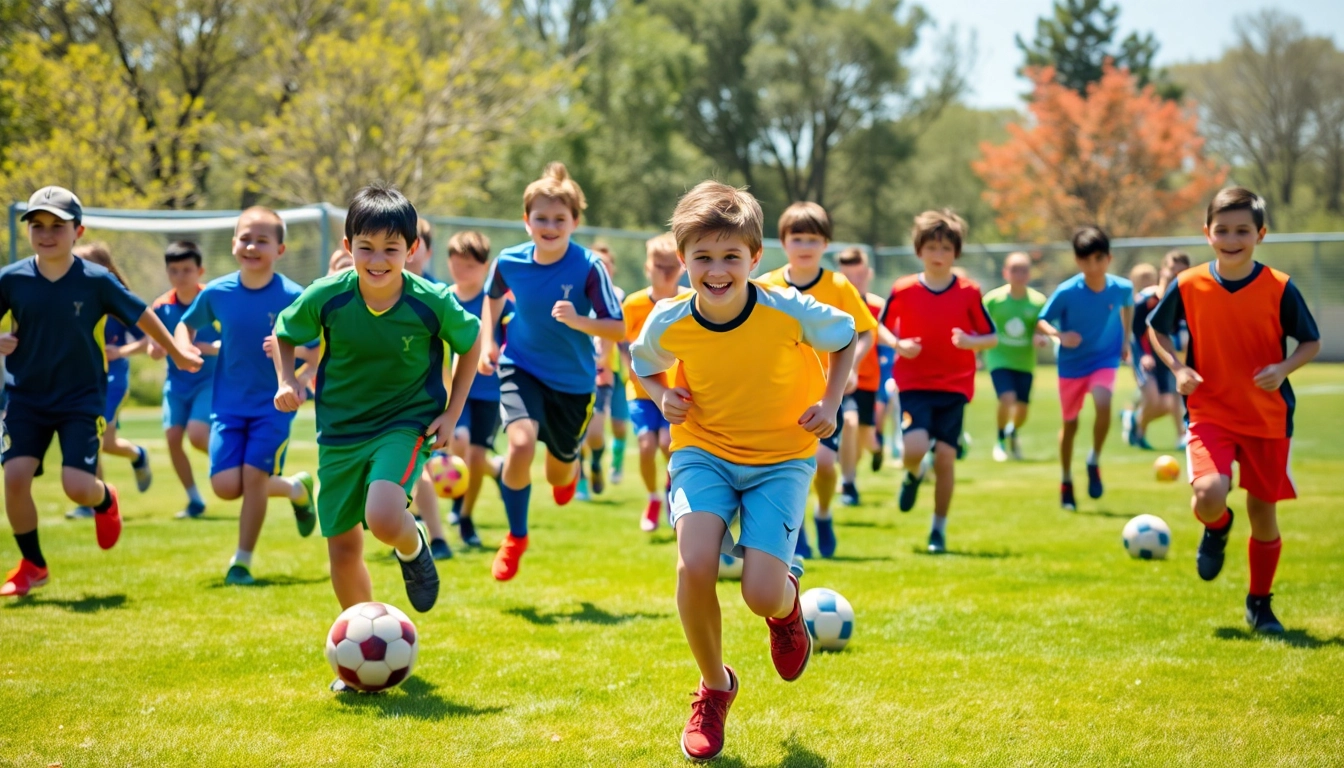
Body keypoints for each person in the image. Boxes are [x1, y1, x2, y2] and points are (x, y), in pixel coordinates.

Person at [631, 181, 855, 762]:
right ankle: (714, 686)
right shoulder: (668, 319)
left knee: (760, 594)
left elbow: (846, 336)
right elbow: (644, 364)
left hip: (781, 459)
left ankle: (787, 612)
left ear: (756, 259)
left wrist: (831, 404)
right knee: (695, 562)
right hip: (702, 449)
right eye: (702, 257)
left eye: (731, 256)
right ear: (682, 261)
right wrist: (661, 396)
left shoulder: (787, 307)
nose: (716, 269)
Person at [274, 185, 480, 676]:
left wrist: (452, 413)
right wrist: (285, 380)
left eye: (391, 249)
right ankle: (356, 655)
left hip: (404, 424)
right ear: (348, 246)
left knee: (385, 516)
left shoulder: (431, 302)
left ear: (411, 250)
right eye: (366, 247)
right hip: (340, 433)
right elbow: (285, 332)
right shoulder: (326, 297)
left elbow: (470, 344)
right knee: (343, 549)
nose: (378, 259)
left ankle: (414, 547)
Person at [1, 186, 202, 597]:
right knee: (15, 477)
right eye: (37, 226)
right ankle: (33, 565)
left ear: (78, 230)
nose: (46, 233)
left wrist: (176, 351)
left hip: (81, 398)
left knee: (77, 485)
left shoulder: (96, 281)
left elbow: (142, 313)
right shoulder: (12, 279)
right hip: (26, 396)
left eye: (58, 225)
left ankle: (105, 498)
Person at [1149, 187, 1320, 634]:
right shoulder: (1188, 285)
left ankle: (1260, 604)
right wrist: (1178, 368)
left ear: (1260, 234)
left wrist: (1283, 368)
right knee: (1208, 494)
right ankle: (1218, 526)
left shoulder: (1280, 287)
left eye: (1242, 230)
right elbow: (1158, 332)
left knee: (1264, 515)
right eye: (1222, 229)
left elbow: (1311, 342)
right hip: (1210, 412)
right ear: (1207, 234)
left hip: (1267, 418)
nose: (1231, 238)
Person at [476, 162, 625, 581]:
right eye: (540, 218)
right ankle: (516, 537)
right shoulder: (508, 262)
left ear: (574, 222)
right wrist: (489, 342)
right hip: (519, 366)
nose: (550, 225)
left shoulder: (588, 266)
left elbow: (618, 326)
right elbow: (492, 299)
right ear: (526, 222)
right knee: (520, 445)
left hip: (574, 384)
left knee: (558, 470)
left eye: (560, 218)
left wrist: (580, 320)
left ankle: (569, 466)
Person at [175, 206, 318, 586]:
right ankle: (295, 488)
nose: (252, 246)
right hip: (227, 406)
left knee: (254, 477)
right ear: (233, 243)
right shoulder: (218, 292)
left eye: (262, 240)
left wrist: (300, 373)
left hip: (274, 408)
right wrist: (184, 349)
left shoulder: (294, 296)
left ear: (281, 250)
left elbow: (319, 348)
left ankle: (242, 561)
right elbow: (184, 326)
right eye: (245, 238)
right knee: (226, 487)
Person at [760, 202, 874, 559]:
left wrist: (850, 366)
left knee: (824, 464)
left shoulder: (838, 286)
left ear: (826, 243)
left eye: (813, 238)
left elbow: (866, 332)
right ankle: (799, 530)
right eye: (797, 238)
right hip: (782, 393)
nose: (805, 246)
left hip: (828, 394)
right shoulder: (766, 285)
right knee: (789, 469)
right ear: (783, 242)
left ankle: (823, 514)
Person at [881, 210, 997, 553]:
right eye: (931, 247)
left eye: (946, 248)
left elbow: (991, 337)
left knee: (945, 458)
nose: (938, 254)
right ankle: (913, 474)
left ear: (956, 252)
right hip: (914, 383)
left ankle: (938, 529)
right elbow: (880, 327)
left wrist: (970, 342)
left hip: (955, 386)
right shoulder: (903, 290)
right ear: (919, 250)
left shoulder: (969, 291)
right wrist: (898, 344)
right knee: (915, 450)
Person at [1037, 227, 1133, 511]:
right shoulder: (1067, 292)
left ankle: (1094, 459)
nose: (1093, 266)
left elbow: (1128, 308)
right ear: (1078, 261)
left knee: (1104, 402)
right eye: (1086, 260)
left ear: (1109, 258)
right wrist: (1059, 336)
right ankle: (1066, 480)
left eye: (1099, 259)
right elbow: (1042, 320)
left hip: (1104, 359)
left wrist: (1125, 341)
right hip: (1071, 364)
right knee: (1070, 424)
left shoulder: (1122, 288)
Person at [63, 243, 152, 519]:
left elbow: (148, 339)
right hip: (83, 377)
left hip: (112, 378)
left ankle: (91, 501)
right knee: (108, 442)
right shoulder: (70, 300)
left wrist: (120, 351)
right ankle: (138, 455)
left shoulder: (117, 301)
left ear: (104, 269)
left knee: (91, 435)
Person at [445, 230, 512, 549]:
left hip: (489, 391)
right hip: (451, 391)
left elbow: (513, 334)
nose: (462, 270)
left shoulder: (496, 302)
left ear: (485, 267)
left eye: (469, 265)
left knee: (474, 453)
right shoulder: (442, 298)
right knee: (458, 442)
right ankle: (496, 471)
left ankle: (466, 515)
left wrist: (498, 349)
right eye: (456, 263)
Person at [621, 232, 690, 532]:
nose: (665, 271)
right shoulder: (634, 304)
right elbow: (622, 341)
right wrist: (631, 368)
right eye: (659, 265)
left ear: (682, 267)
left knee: (667, 445)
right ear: (648, 266)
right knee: (647, 444)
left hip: (677, 391)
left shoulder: (688, 300)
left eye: (671, 265)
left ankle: (671, 491)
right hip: (640, 391)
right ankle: (653, 498)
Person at [148, 241, 219, 519]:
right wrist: (157, 348)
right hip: (176, 385)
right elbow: (154, 350)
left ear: (200, 270)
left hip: (209, 381)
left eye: (187, 269)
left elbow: (232, 343)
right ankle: (194, 500)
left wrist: (206, 347)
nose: (180, 276)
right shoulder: (162, 306)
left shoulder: (214, 299)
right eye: (174, 270)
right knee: (173, 437)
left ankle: (235, 467)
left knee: (198, 435)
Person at [402, 217, 451, 558]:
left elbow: (454, 353)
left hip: (421, 402)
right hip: (378, 403)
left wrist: (450, 410)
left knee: (416, 470)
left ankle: (436, 538)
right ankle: (419, 532)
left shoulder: (436, 297)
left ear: (423, 250)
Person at [834, 247, 897, 502]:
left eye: (859, 275)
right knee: (849, 425)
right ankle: (849, 483)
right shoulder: (834, 303)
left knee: (866, 437)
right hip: (843, 379)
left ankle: (877, 450)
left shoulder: (876, 306)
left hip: (869, 380)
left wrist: (898, 345)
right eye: (849, 275)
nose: (855, 280)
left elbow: (877, 331)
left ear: (868, 274)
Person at [982, 252, 1048, 462]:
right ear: (1005, 273)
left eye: (1024, 270)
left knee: (1022, 410)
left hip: (1025, 361)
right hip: (998, 357)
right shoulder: (993, 299)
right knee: (1006, 398)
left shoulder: (1038, 301)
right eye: (1014, 270)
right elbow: (979, 324)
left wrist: (1040, 337)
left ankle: (1012, 432)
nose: (1019, 274)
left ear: (1030, 274)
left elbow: (1041, 327)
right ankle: (1000, 439)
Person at [1122, 250, 1191, 451]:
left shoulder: (1182, 302)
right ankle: (1141, 427)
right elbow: (1136, 331)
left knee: (1167, 404)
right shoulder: (1146, 300)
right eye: (1172, 271)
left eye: (1181, 273)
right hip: (1144, 356)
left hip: (1166, 357)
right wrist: (1142, 356)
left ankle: (1136, 424)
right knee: (1152, 398)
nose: (1174, 276)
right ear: (1163, 270)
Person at [576, 242, 629, 500]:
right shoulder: (578, 295)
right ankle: (581, 480)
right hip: (576, 373)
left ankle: (602, 460)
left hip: (609, 372)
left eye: (605, 265)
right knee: (575, 431)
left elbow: (620, 335)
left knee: (610, 428)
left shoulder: (618, 296)